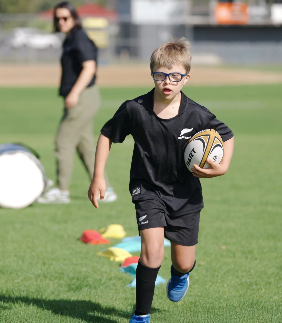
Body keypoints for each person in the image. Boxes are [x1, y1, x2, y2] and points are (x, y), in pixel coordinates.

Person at [88, 38, 235, 322]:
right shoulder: (135, 109)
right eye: (160, 75)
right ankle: (141, 315)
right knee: (152, 254)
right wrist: (98, 177)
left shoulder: (197, 114)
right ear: (152, 73)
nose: (167, 82)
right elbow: (107, 134)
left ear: (186, 78)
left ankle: (180, 275)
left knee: (183, 261)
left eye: (175, 76)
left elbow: (226, 135)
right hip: (148, 189)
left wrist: (222, 167)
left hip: (185, 195)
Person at [38, 1, 116, 204]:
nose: (61, 21)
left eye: (65, 18)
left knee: (62, 142)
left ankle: (62, 191)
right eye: (58, 18)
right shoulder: (70, 38)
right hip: (83, 97)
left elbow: (89, 67)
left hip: (83, 97)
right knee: (85, 147)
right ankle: (105, 191)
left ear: (74, 18)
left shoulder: (79, 38)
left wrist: (74, 93)